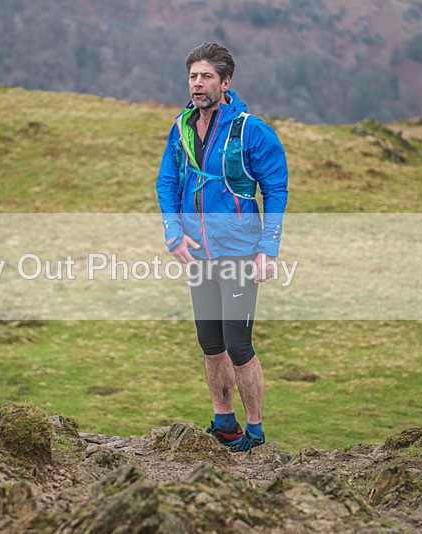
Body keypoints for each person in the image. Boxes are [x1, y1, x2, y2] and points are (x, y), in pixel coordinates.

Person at [156, 42, 288, 452]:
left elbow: (276, 189)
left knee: (238, 344)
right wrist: (173, 234)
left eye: (206, 76)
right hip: (198, 253)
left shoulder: (251, 130)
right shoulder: (180, 127)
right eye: (193, 76)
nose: (197, 83)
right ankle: (224, 424)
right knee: (210, 344)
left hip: (239, 253)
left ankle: (255, 433)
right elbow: (167, 183)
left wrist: (268, 248)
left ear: (225, 82)